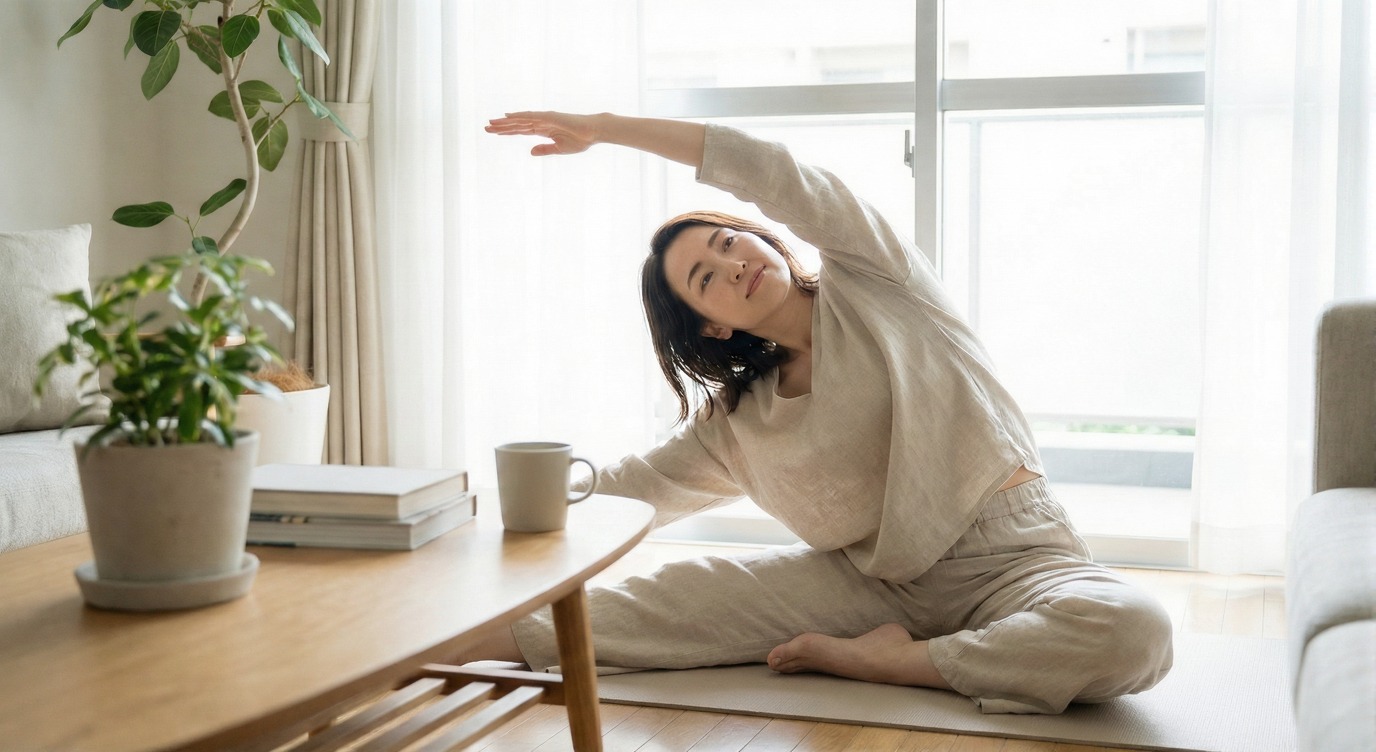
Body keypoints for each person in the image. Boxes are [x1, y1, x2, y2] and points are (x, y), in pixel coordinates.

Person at [477, 111, 1174, 715]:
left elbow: (770, 170)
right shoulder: (736, 420)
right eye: (706, 280)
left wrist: (605, 129)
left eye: (727, 244)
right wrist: (465, 523)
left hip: (1016, 557)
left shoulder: (877, 282)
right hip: (870, 589)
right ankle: (403, 651)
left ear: (760, 237)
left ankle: (894, 663)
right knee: (669, 602)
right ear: (711, 326)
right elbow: (632, 489)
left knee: (1133, 631)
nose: (733, 266)